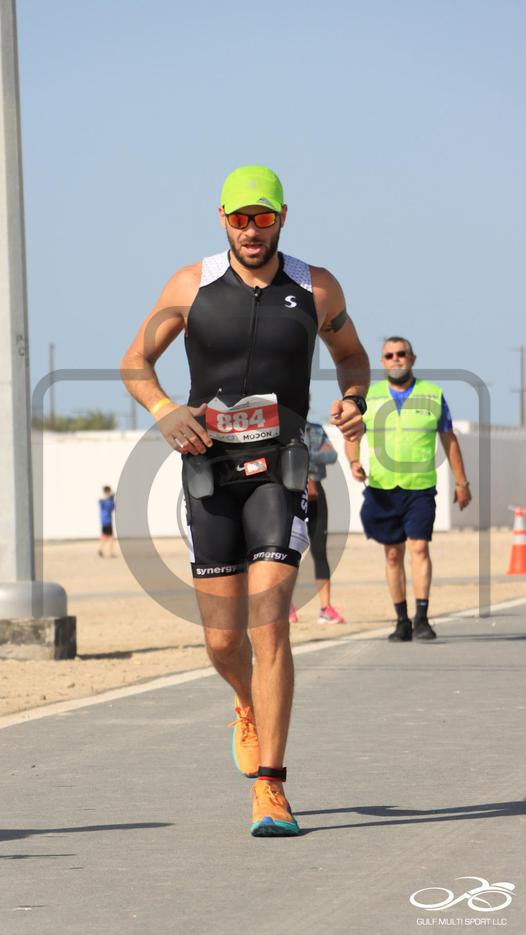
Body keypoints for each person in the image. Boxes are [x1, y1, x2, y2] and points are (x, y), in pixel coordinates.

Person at [121, 165, 369, 836]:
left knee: (269, 625)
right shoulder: (189, 285)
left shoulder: (317, 287)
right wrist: (165, 409)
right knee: (223, 639)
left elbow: (352, 356)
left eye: (263, 217)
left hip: (281, 471)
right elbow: (135, 362)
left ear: (283, 217)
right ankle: (246, 703)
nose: (251, 230)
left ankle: (271, 786)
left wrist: (352, 399)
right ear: (221, 218)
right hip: (210, 472)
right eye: (240, 218)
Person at [346, 336, 471, 642]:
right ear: (382, 362)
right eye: (389, 355)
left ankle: (422, 619)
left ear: (412, 358)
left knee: (419, 547)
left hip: (420, 487)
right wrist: (354, 462)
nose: (396, 359)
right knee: (392, 554)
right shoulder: (370, 397)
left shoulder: (433, 394)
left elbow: (449, 439)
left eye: (401, 354)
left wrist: (462, 482)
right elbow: (352, 435)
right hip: (382, 488)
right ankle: (401, 620)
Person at [289, 419, 345, 624]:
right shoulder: (280, 426)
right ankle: (286, 605)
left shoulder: (315, 429)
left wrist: (300, 455)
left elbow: (332, 455)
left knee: (320, 550)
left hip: (314, 490)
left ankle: (325, 607)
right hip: (289, 490)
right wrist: (312, 455)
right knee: (287, 551)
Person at [98, 485, 116, 557]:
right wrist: (111, 499)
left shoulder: (101, 501)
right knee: (111, 537)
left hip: (103, 521)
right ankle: (111, 553)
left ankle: (100, 549)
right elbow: (113, 508)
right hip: (108, 521)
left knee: (104, 536)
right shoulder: (109, 501)